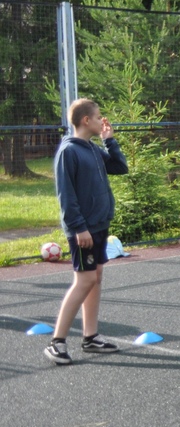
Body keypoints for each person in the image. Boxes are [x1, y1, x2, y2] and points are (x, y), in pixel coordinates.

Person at [44, 98, 129, 365]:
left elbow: (119, 167)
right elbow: (66, 195)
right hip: (84, 230)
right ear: (85, 120)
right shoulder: (69, 151)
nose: (101, 120)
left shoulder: (91, 148)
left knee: (96, 277)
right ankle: (56, 342)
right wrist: (78, 227)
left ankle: (90, 336)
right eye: (98, 117)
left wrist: (109, 140)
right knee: (84, 280)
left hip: (99, 226)